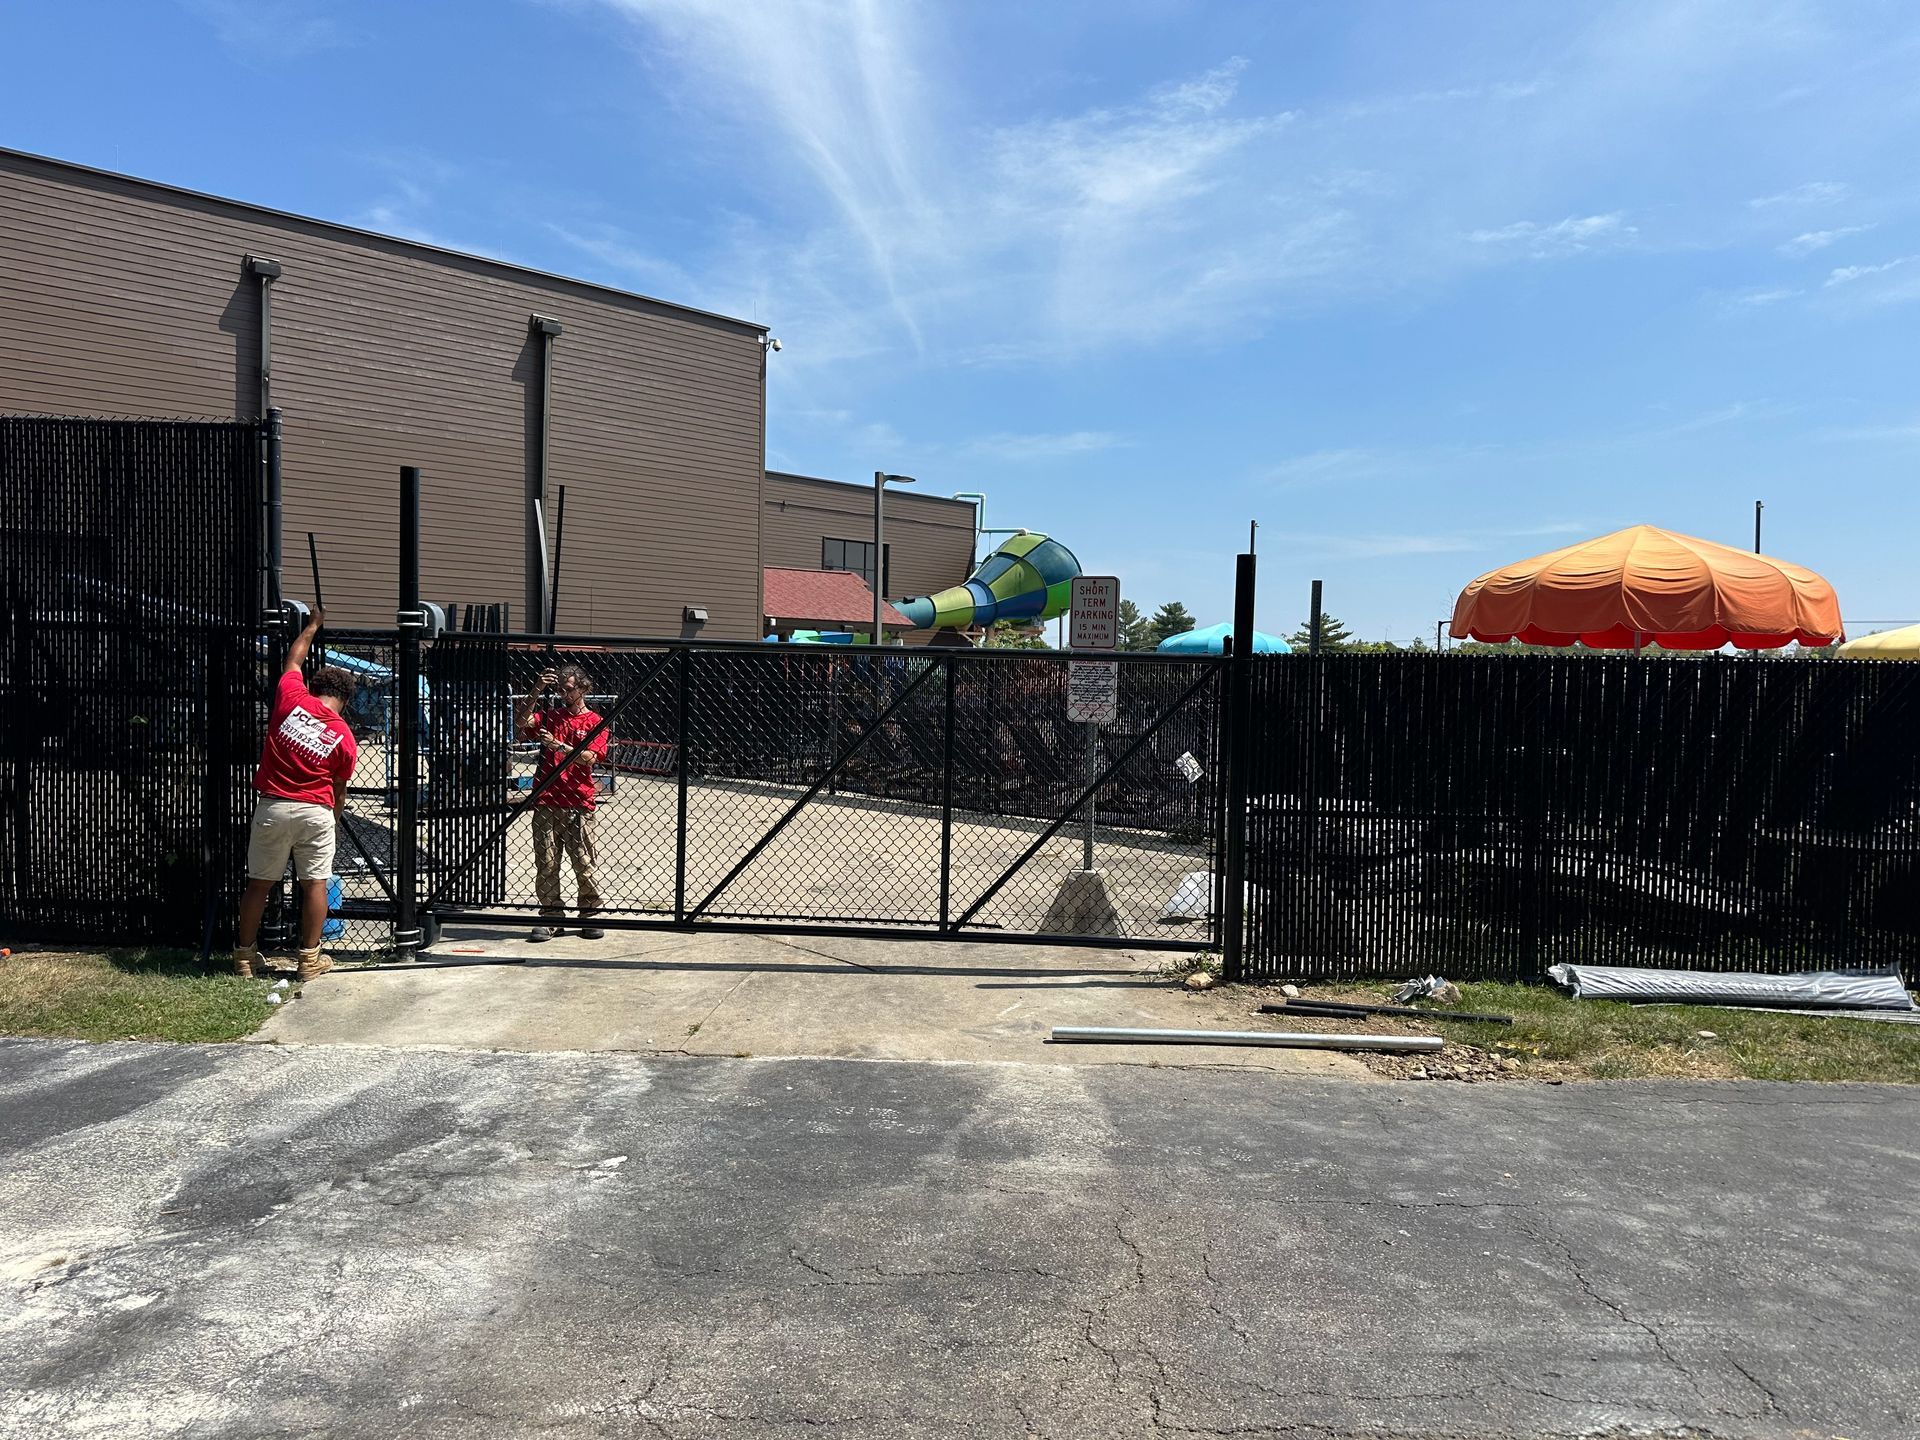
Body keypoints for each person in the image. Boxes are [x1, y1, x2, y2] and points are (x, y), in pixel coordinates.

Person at [233, 607, 359, 980]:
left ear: (315, 687)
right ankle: (309, 959)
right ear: (346, 700)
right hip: (315, 811)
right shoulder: (345, 738)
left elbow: (293, 659)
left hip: (273, 805)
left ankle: (244, 956)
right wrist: (333, 819)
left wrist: (313, 626)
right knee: (315, 884)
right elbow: (339, 788)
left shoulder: (290, 699)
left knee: (259, 883)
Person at [515, 662, 609, 942]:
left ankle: (589, 912)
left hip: (577, 799)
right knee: (546, 861)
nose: (563, 695)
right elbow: (521, 721)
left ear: (583, 688)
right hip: (547, 799)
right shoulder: (551, 715)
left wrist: (557, 745)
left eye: (568, 690)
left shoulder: (595, 722)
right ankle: (551, 915)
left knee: (583, 861)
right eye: (559, 690)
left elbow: (589, 757)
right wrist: (537, 689)